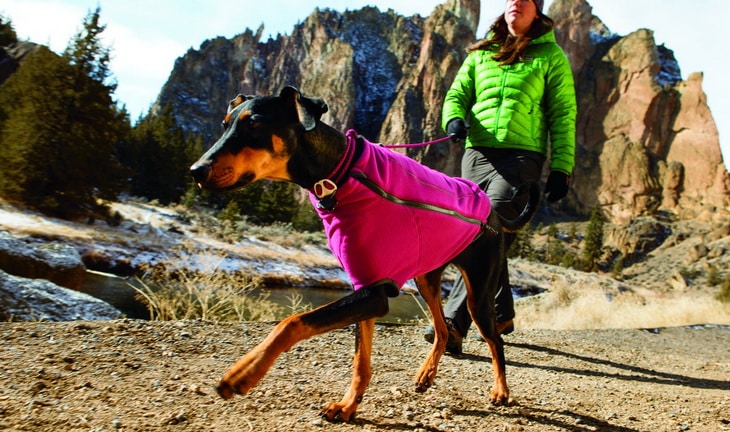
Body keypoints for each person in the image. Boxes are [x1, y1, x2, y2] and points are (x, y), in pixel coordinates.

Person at [424, 0, 576, 354]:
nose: (515, 2)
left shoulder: (550, 57)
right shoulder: (481, 53)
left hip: (522, 157)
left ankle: (453, 324)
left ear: (537, 11)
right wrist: (454, 119)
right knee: (471, 232)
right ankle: (502, 311)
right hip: (477, 154)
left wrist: (561, 167)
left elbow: (563, 114)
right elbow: (458, 93)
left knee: (484, 232)